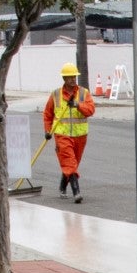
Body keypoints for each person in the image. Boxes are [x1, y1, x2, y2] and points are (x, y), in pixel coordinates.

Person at [44, 63, 96, 202]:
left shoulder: (84, 93)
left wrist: (78, 105)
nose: (73, 79)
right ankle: (76, 192)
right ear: (64, 78)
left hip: (80, 136)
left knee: (73, 163)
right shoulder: (55, 95)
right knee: (69, 162)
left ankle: (62, 185)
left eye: (74, 76)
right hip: (62, 135)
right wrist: (47, 131)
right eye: (70, 77)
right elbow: (48, 115)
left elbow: (91, 110)